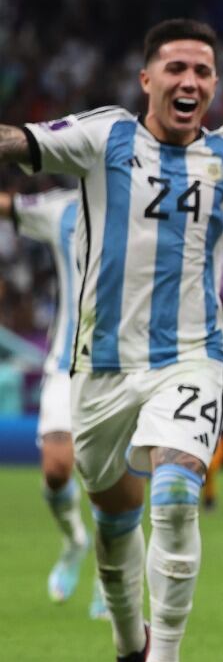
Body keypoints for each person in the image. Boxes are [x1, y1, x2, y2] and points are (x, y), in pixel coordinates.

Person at [0, 19, 223, 662]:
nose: (190, 81)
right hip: (100, 369)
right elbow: (20, 142)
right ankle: (129, 659)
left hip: (192, 357)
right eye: (176, 69)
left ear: (215, 84)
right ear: (147, 80)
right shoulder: (103, 138)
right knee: (115, 524)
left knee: (174, 496)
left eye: (203, 70)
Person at [0, 188, 104, 615]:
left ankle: (110, 574)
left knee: (110, 481)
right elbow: (9, 205)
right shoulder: (62, 208)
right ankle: (75, 540)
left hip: (127, 368)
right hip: (67, 362)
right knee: (58, 470)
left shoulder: (149, 196)